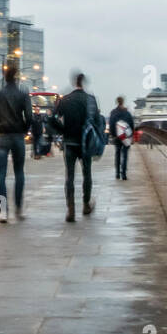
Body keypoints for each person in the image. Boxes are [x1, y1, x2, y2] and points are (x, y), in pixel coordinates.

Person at [50, 71, 102, 223]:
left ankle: (70, 209)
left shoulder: (65, 100)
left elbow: (52, 118)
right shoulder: (91, 100)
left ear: (74, 83)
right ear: (83, 83)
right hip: (86, 143)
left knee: (70, 176)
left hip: (69, 142)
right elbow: (98, 121)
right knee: (87, 174)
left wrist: (62, 131)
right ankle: (86, 205)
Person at [0, 65, 32, 222]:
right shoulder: (23, 95)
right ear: (16, 77)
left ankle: (3, 211)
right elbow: (29, 117)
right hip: (17, 136)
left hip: (1, 136)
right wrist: (23, 129)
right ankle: (18, 209)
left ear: (4, 77)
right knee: (19, 172)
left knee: (1, 174)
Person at [108, 96, 135, 181]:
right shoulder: (127, 113)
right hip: (125, 137)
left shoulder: (113, 112)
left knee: (117, 153)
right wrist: (131, 136)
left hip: (117, 136)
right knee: (125, 154)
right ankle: (123, 174)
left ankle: (117, 173)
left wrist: (112, 134)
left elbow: (111, 124)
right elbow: (131, 125)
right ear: (123, 102)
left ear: (117, 102)